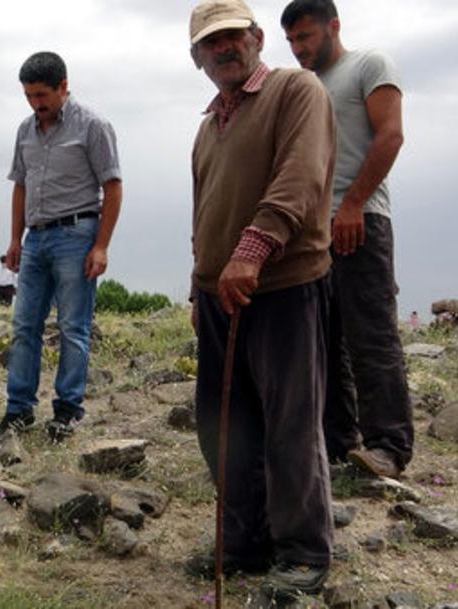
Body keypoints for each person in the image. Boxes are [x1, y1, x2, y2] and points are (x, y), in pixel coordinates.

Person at [186, 0, 337, 598]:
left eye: (232, 37)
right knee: (223, 427)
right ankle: (247, 541)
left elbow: (300, 178)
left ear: (254, 38)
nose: (224, 49)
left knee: (290, 423)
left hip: (283, 284)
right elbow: (205, 214)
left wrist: (252, 250)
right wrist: (200, 282)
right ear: (197, 58)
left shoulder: (296, 91)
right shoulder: (208, 124)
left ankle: (303, 550)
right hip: (219, 294)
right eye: (210, 43)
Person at [282, 0, 412, 479]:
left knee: (371, 333)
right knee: (324, 339)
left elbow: (391, 136)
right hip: (314, 231)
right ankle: (339, 444)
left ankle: (390, 447)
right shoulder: (306, 87)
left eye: (306, 37)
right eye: (292, 41)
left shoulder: (369, 64)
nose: (298, 49)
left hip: (361, 220)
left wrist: (354, 204)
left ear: (333, 26)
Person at [0, 51, 123, 443]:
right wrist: (15, 240)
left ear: (64, 87)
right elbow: (20, 184)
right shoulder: (24, 130)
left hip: (77, 233)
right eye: (29, 95)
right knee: (24, 326)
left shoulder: (94, 126)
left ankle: (68, 410)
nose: (36, 103)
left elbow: (113, 187)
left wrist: (101, 246)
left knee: (73, 327)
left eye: (42, 95)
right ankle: (19, 409)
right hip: (35, 237)